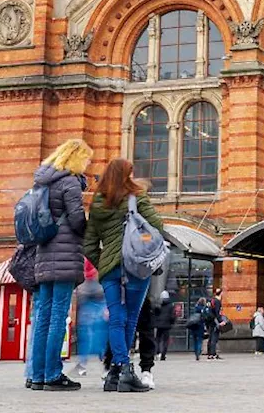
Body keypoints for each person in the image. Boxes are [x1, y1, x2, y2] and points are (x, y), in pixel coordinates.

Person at [83, 157, 166, 393]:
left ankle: (115, 373)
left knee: (116, 319)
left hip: (110, 270)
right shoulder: (137, 196)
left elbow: (89, 244)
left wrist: (105, 264)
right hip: (136, 268)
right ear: (125, 175)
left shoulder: (98, 203)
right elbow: (157, 227)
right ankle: (125, 370)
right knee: (130, 318)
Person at [29, 139, 91, 392]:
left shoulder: (42, 180)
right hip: (64, 254)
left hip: (43, 253)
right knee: (57, 317)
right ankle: (53, 374)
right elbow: (76, 219)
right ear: (76, 158)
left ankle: (37, 374)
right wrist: (89, 232)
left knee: (42, 316)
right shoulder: (70, 181)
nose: (87, 164)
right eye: (86, 159)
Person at [72, 262, 107, 377]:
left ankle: (82, 364)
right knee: (102, 331)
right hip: (99, 292)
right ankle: (105, 361)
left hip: (85, 292)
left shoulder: (84, 253)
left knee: (85, 333)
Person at [152, 291, 175, 361]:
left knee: (157, 339)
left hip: (159, 325)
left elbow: (155, 313)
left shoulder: (159, 304)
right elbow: (172, 316)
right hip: (167, 325)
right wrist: (172, 322)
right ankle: (163, 355)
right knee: (165, 340)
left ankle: (157, 352)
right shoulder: (171, 305)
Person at [204, 289, 223, 360]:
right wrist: (221, 321)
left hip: (209, 321)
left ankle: (209, 354)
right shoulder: (217, 301)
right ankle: (213, 354)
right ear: (221, 293)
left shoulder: (211, 300)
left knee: (210, 337)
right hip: (214, 321)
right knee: (214, 338)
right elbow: (217, 313)